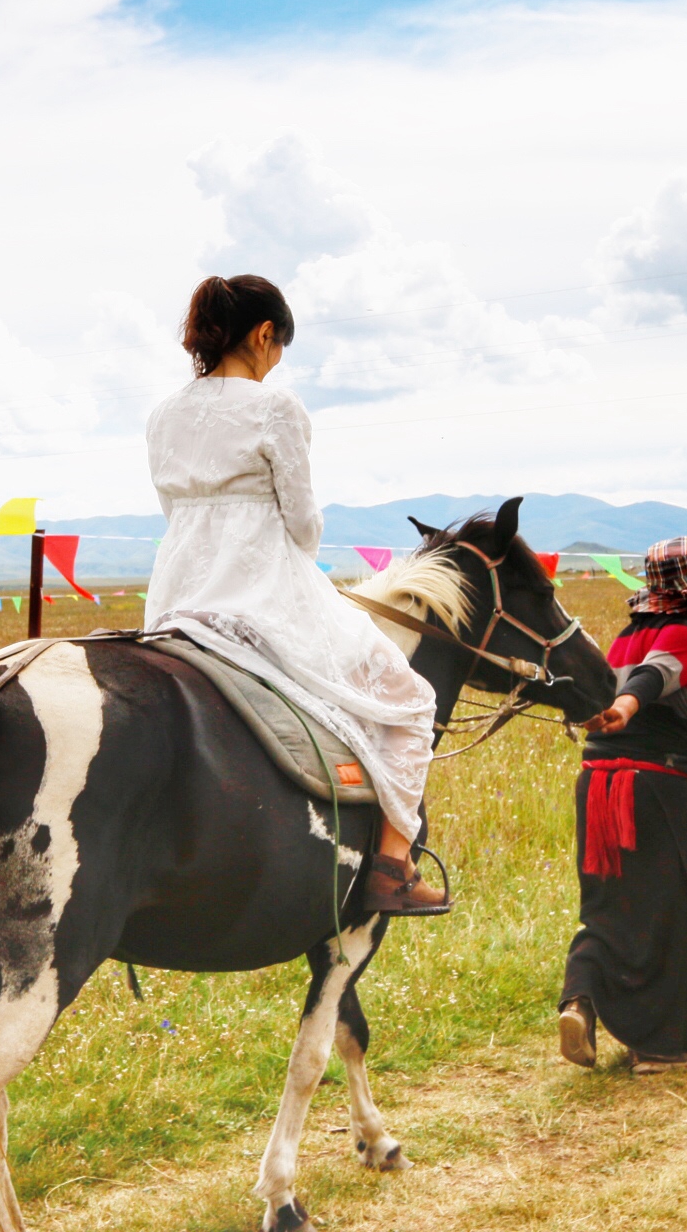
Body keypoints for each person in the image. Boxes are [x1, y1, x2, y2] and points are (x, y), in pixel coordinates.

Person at [143, 274, 448, 915]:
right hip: (259, 591)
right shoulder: (275, 407)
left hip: (178, 590)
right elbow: (304, 525)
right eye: (278, 345)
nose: (276, 359)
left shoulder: (164, 413)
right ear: (262, 336)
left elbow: (172, 507)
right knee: (410, 699)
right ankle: (392, 867)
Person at [557, 537, 687, 1072]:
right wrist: (628, 707)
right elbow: (656, 674)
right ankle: (659, 1046)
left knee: (607, 906)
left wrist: (601, 711)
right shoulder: (684, 630)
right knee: (668, 908)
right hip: (655, 790)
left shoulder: (618, 639)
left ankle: (580, 999)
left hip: (597, 786)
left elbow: (608, 685)